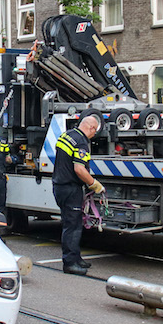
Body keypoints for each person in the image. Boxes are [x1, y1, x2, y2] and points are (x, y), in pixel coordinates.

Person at [52, 115, 103, 276]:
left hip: (59, 185)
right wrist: (94, 184)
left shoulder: (66, 135)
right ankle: (70, 263)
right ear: (90, 128)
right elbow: (79, 169)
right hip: (70, 188)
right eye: (95, 131)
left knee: (72, 223)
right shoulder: (81, 143)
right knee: (72, 226)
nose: (94, 135)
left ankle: (76, 257)